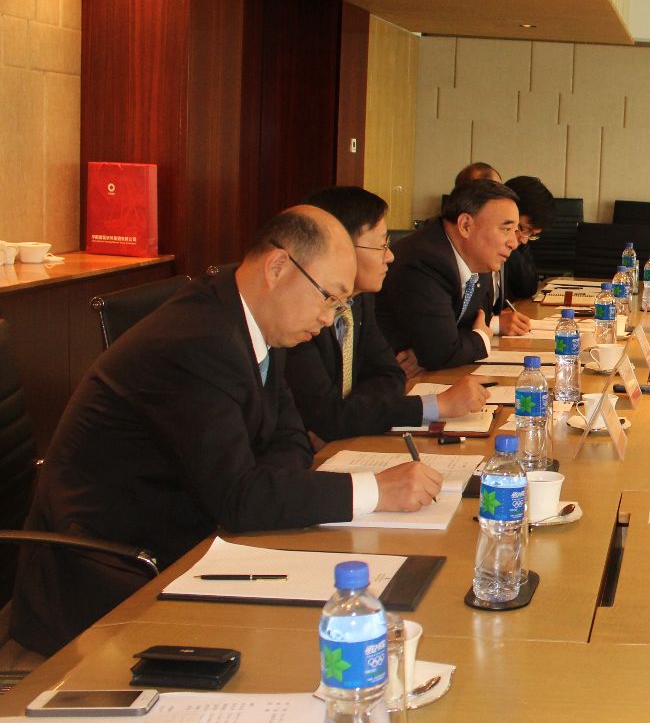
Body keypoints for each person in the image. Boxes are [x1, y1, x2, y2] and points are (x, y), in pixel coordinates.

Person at [12, 207, 443, 655]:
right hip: (112, 575)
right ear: (278, 267)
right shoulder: (195, 341)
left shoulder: (256, 321)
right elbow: (239, 498)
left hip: (193, 540)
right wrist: (377, 490)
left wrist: (263, 488)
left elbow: (290, 439)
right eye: (329, 297)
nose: (327, 318)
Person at [286, 187, 487, 444]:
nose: (390, 256)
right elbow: (326, 417)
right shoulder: (300, 315)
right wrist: (436, 405)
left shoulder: (359, 300)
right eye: (381, 246)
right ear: (339, 248)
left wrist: (350, 413)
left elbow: (391, 375)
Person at [376, 178, 522, 371]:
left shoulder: (478, 261)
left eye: (515, 231)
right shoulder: (425, 260)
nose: (514, 243)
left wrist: (439, 348)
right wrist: (481, 338)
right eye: (506, 229)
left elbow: (476, 321)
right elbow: (441, 353)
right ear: (465, 225)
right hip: (391, 377)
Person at [500, 175, 557, 301]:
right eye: (523, 228)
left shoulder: (521, 239)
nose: (524, 240)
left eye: (531, 234)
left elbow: (527, 288)